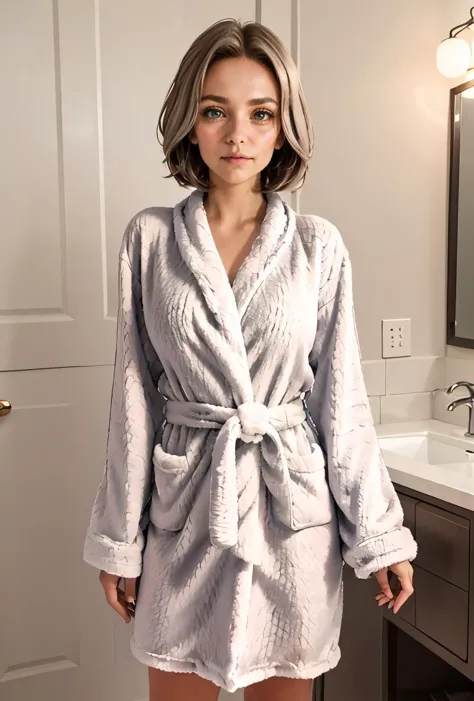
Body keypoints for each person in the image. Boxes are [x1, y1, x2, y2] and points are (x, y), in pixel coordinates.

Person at [83, 18, 417, 701]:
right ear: (190, 123)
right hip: (185, 516)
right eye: (215, 112)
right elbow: (132, 396)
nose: (238, 135)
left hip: (288, 522)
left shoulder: (318, 247)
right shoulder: (151, 240)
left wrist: (382, 536)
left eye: (260, 114)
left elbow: (341, 402)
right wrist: (119, 538)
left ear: (282, 126)